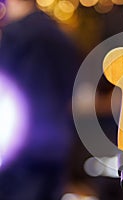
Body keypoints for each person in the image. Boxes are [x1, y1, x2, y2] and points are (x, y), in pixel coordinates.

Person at [0, 0, 79, 199]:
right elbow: (72, 86)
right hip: (56, 143)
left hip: (20, 147)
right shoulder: (59, 34)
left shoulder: (14, 36)